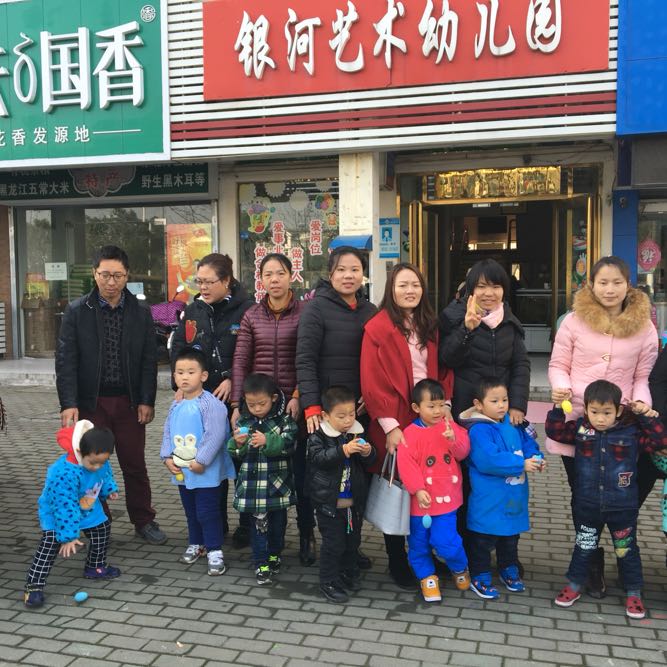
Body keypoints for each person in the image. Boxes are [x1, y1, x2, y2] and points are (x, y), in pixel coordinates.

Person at [548, 256, 658, 596]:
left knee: (624, 495)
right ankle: (591, 560)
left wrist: (642, 405)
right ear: (591, 285)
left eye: (617, 282)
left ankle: (626, 558)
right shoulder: (573, 321)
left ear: (628, 285)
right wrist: (561, 391)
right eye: (603, 282)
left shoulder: (645, 326)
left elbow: (642, 376)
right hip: (580, 421)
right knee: (582, 494)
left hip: (622, 427)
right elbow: (558, 364)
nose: (610, 289)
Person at [55, 245, 164, 545]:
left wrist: (147, 400)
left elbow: (148, 360)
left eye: (117, 275)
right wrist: (69, 403)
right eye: (105, 275)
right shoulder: (77, 311)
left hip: (128, 403)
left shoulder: (140, 312)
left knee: (134, 464)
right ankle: (97, 521)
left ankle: (143, 519)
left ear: (127, 275)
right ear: (95, 274)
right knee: (92, 464)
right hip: (92, 403)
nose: (111, 282)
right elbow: (66, 360)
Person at [361, 262, 453, 589]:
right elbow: (372, 380)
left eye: (415, 284)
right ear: (391, 290)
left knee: (427, 487)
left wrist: (443, 407)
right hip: (396, 419)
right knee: (399, 490)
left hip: (429, 417)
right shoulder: (377, 328)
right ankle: (397, 560)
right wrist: (390, 426)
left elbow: (444, 369)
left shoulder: (431, 325)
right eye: (402, 285)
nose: (409, 290)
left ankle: (423, 553)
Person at [545, 380, 667, 620]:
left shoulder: (631, 433)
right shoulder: (581, 429)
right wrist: (558, 407)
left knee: (626, 550)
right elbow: (555, 431)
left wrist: (646, 416)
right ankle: (574, 584)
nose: (600, 418)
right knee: (584, 547)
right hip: (587, 504)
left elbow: (660, 442)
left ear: (619, 411)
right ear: (586, 409)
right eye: (594, 412)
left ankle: (634, 593)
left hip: (622, 507)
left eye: (607, 413)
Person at [231, 252, 315, 566]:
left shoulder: (306, 312)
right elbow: (241, 360)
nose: (274, 279)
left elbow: (309, 357)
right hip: (259, 408)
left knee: (301, 474)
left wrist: (299, 395)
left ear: (291, 276)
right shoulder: (252, 315)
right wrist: (238, 404)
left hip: (294, 406)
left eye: (280, 273)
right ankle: (263, 537)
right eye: (268, 274)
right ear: (261, 279)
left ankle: (306, 534)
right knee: (260, 471)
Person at [296, 246, 377, 569]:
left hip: (357, 413)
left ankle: (350, 546)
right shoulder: (316, 309)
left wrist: (371, 395)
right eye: (341, 269)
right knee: (324, 481)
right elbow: (305, 360)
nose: (348, 275)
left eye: (355, 269)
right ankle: (318, 540)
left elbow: (378, 360)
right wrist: (311, 406)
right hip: (325, 414)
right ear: (330, 274)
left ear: (363, 274)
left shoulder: (370, 310)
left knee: (355, 481)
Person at [171, 252, 253, 548]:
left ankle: (247, 525)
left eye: (209, 282)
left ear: (226, 280)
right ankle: (216, 524)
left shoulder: (248, 309)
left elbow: (253, 352)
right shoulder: (194, 310)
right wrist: (181, 383)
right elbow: (180, 349)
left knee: (242, 464)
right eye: (199, 281)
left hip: (238, 401)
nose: (202, 287)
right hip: (202, 402)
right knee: (208, 461)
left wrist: (234, 380)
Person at [459, 378, 544, 600]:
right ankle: (480, 575)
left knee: (510, 537)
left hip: (514, 497)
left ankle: (509, 569)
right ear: (478, 404)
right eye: (494, 401)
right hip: (489, 499)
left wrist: (536, 457)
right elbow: (488, 460)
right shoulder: (478, 430)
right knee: (482, 540)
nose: (501, 405)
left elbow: (529, 444)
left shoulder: (512, 422)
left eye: (504, 400)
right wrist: (521, 464)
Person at [24, 422, 120, 608]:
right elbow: (64, 506)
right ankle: (34, 586)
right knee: (50, 543)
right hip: (58, 512)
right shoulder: (64, 472)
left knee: (101, 528)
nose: (97, 466)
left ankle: (95, 566)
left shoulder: (99, 460)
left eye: (102, 461)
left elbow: (105, 474)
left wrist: (109, 489)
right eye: (93, 462)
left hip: (86, 505)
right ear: (79, 451)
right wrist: (68, 537)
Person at [161, 347, 234, 576]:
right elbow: (168, 431)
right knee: (191, 510)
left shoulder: (211, 404)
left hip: (205, 471)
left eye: (190, 372)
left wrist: (202, 460)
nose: (184, 377)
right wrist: (167, 457)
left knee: (207, 511)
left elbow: (216, 435)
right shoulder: (176, 404)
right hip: (183, 470)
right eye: (179, 372)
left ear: (203, 376)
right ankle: (196, 542)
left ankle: (214, 549)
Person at [397, 379, 470, 603]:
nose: (438, 411)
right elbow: (405, 464)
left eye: (441, 404)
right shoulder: (409, 434)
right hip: (420, 504)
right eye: (431, 406)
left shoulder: (450, 427)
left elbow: (463, 453)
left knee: (446, 541)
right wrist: (418, 489)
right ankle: (427, 578)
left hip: (447, 500)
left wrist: (454, 440)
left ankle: (459, 566)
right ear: (416, 407)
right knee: (418, 544)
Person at [306, 385, 376, 603]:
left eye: (351, 414)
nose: (348, 420)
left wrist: (368, 452)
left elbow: (369, 463)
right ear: (326, 416)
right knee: (333, 544)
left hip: (353, 503)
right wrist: (342, 450)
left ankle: (347, 572)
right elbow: (318, 459)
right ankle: (328, 580)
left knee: (352, 542)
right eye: (341, 416)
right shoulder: (318, 436)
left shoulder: (357, 432)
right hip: (329, 504)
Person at [439, 258, 530, 423]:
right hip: (466, 409)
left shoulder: (509, 320)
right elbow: (447, 359)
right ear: (471, 289)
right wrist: (466, 330)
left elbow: (520, 365)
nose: (489, 293)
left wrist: (518, 405)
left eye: (496, 287)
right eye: (481, 286)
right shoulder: (453, 316)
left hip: (500, 409)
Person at [228, 373, 297, 586]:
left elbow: (289, 445)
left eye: (262, 404)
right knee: (258, 527)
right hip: (253, 487)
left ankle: (275, 553)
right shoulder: (243, 421)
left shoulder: (284, 420)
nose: (256, 409)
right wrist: (238, 444)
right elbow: (235, 453)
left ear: (273, 398)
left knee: (278, 525)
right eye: (251, 404)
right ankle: (260, 562)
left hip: (277, 486)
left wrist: (268, 440)